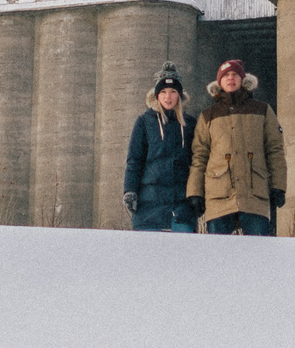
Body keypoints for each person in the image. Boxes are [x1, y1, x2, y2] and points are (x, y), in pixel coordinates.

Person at [187, 58, 285, 236]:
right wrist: (195, 192)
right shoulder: (207, 116)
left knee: (258, 255)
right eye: (225, 75)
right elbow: (199, 156)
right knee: (219, 257)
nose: (230, 78)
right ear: (219, 82)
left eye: (234, 75)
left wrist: (278, 186)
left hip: (254, 196)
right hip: (218, 196)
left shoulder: (262, 110)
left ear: (243, 79)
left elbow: (274, 150)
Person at [121, 66, 198, 233]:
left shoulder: (191, 124)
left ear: (180, 95)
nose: (168, 97)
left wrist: (198, 195)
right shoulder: (144, 122)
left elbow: (199, 162)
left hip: (181, 208)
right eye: (163, 92)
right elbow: (134, 160)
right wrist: (130, 191)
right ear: (156, 95)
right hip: (148, 208)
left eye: (172, 91)